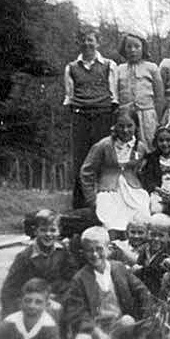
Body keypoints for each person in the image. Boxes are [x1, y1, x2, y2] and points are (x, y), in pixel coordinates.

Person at [63, 227, 152, 339]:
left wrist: (147, 316)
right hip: (95, 328)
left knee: (127, 321)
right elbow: (76, 311)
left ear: (108, 248)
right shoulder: (80, 278)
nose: (94, 254)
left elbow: (142, 291)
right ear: (83, 252)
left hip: (119, 325)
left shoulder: (119, 268)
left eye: (99, 249)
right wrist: (94, 330)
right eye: (89, 250)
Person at [64, 28, 119, 209]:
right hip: (81, 116)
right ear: (78, 43)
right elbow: (69, 96)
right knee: (81, 160)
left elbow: (114, 95)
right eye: (83, 40)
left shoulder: (109, 65)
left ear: (97, 43)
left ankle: (106, 204)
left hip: (103, 115)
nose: (87, 44)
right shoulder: (71, 67)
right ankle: (81, 206)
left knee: (104, 158)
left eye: (90, 40)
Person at [80, 109, 151, 233]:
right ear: (114, 126)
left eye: (129, 126)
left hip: (133, 191)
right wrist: (91, 198)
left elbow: (147, 170)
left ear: (136, 127)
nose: (125, 130)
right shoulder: (104, 145)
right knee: (110, 218)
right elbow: (87, 172)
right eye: (121, 126)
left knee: (141, 213)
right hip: (108, 190)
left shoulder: (140, 147)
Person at [1, 209, 79, 320]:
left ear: (59, 231)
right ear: (36, 231)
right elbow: (9, 291)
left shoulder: (63, 251)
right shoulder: (25, 257)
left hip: (58, 299)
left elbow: (73, 278)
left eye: (53, 230)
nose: (48, 234)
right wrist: (11, 320)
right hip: (32, 302)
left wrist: (61, 296)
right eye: (43, 230)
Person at [116, 32, 164, 148]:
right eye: (129, 47)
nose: (133, 50)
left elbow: (159, 96)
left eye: (137, 46)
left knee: (148, 144)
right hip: (126, 116)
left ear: (143, 48)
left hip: (147, 114)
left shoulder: (152, 68)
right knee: (127, 145)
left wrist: (157, 117)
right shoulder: (119, 69)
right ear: (124, 49)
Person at [141, 125, 170, 234]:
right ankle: (160, 235)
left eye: (169, 140)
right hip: (159, 191)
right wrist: (158, 189)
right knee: (155, 210)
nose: (165, 144)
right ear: (156, 142)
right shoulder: (152, 158)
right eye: (161, 140)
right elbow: (148, 178)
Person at [133, 213, 170, 295]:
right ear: (147, 233)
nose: (156, 239)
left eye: (161, 235)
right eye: (153, 234)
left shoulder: (169, 253)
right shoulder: (145, 249)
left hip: (158, 292)